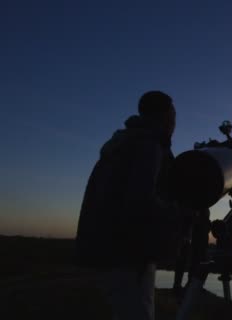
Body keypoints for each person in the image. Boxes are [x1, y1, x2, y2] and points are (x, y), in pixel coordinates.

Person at [76, 91, 181, 320]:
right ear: (164, 117)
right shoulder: (148, 145)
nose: (174, 123)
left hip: (109, 248)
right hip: (128, 254)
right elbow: (140, 201)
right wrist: (178, 214)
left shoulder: (124, 142)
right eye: (173, 116)